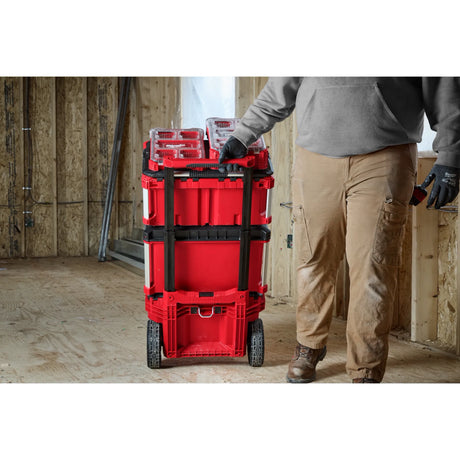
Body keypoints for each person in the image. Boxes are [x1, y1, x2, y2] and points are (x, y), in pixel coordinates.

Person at [219, 77, 460, 383]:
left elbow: (443, 89)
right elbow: (280, 88)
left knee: (373, 266)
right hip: (315, 157)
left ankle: (366, 366)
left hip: (385, 156)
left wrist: (451, 156)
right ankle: (309, 345)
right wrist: (242, 135)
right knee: (312, 259)